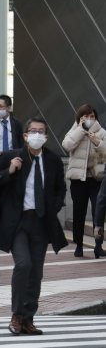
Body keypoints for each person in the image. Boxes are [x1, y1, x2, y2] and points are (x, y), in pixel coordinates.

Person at [0, 117, 68, 336]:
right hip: (18, 221)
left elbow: (61, 189)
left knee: (36, 272)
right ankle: (16, 314)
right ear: (25, 135)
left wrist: (53, 207)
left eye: (41, 131)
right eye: (33, 131)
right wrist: (9, 171)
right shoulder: (13, 156)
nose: (37, 135)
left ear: (47, 136)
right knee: (23, 264)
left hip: (40, 221)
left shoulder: (52, 160)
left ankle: (28, 318)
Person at [62, 104, 106, 258]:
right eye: (85, 116)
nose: (89, 119)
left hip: (96, 179)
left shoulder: (101, 132)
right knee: (78, 213)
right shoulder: (75, 130)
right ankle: (78, 246)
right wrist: (81, 129)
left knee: (98, 213)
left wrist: (98, 142)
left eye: (92, 116)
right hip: (78, 180)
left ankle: (98, 246)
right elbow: (66, 145)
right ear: (80, 118)